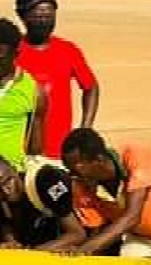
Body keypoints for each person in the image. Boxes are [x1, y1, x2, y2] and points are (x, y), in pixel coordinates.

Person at [60, 128, 151, 259]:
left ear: (99, 160)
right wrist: (81, 252)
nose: (74, 175)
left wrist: (86, 249)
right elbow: (97, 229)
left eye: (77, 169)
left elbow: (132, 216)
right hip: (142, 239)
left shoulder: (136, 154)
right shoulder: (81, 185)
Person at [16, 0, 99, 160]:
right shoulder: (11, 53)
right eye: (38, 17)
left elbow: (91, 87)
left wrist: (86, 127)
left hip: (59, 150)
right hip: (19, 149)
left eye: (49, 17)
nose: (44, 22)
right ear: (22, 16)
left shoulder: (68, 50)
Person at [0, 155, 84, 250]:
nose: (6, 191)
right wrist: (11, 243)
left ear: (14, 169)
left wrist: (34, 252)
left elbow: (77, 234)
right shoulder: (4, 204)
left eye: (8, 180)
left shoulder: (45, 180)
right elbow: (8, 232)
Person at [0, 18, 46, 169]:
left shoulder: (34, 92)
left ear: (16, 54)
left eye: (1, 59)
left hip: (11, 176)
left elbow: (35, 149)